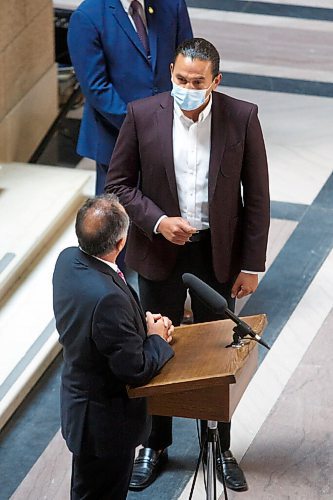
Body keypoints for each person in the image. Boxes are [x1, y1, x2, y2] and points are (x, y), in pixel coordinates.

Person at [105, 38, 270, 492]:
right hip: (160, 251)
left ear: (215, 81)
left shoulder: (242, 116)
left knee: (219, 351)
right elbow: (118, 184)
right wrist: (157, 222)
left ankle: (221, 446)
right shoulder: (142, 115)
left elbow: (256, 196)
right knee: (156, 343)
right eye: (180, 79)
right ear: (171, 76)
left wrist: (251, 264)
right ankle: (154, 443)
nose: (187, 88)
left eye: (197, 82)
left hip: (218, 253)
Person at [52, 194, 174, 500]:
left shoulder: (68, 260)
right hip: (104, 425)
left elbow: (94, 326)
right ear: (120, 244)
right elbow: (135, 369)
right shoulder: (108, 300)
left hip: (81, 405)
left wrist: (137, 326)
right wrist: (156, 337)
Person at [67, 0, 193, 195]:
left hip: (171, 138)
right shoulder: (88, 16)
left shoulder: (172, 4)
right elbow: (96, 88)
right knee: (119, 221)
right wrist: (144, 128)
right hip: (118, 143)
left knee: (168, 217)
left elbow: (187, 63)